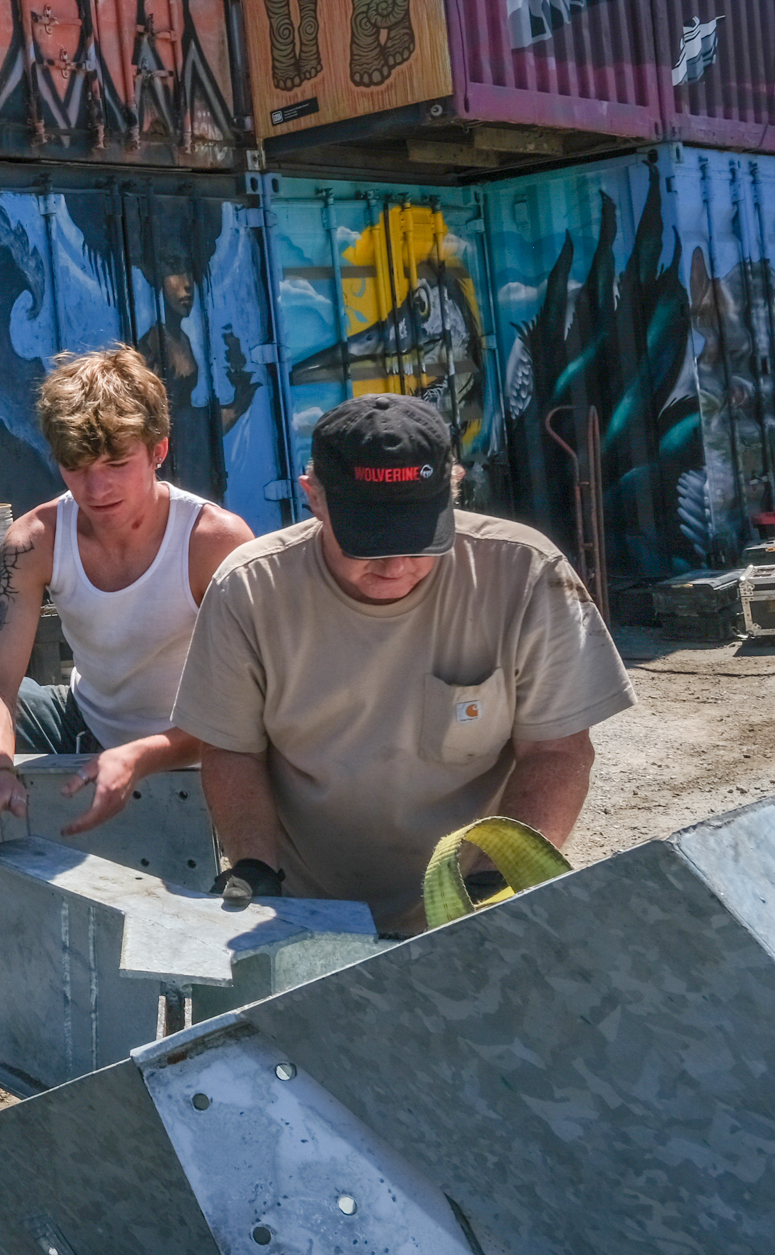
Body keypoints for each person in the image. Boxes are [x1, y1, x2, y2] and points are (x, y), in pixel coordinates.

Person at [172, 393, 633, 936]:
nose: (395, 566)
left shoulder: (526, 575)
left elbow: (557, 752)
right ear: (314, 498)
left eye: (418, 541)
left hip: (466, 904)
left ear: (453, 486)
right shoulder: (249, 588)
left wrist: (494, 887)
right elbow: (232, 750)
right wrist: (254, 869)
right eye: (369, 542)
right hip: (304, 911)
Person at [0, 347, 253, 850]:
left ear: (158, 451)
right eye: (76, 467)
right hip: (82, 720)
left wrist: (142, 757)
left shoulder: (213, 541)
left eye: (117, 463)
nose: (97, 488)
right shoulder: (35, 538)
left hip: (191, 742)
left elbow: (250, 707)